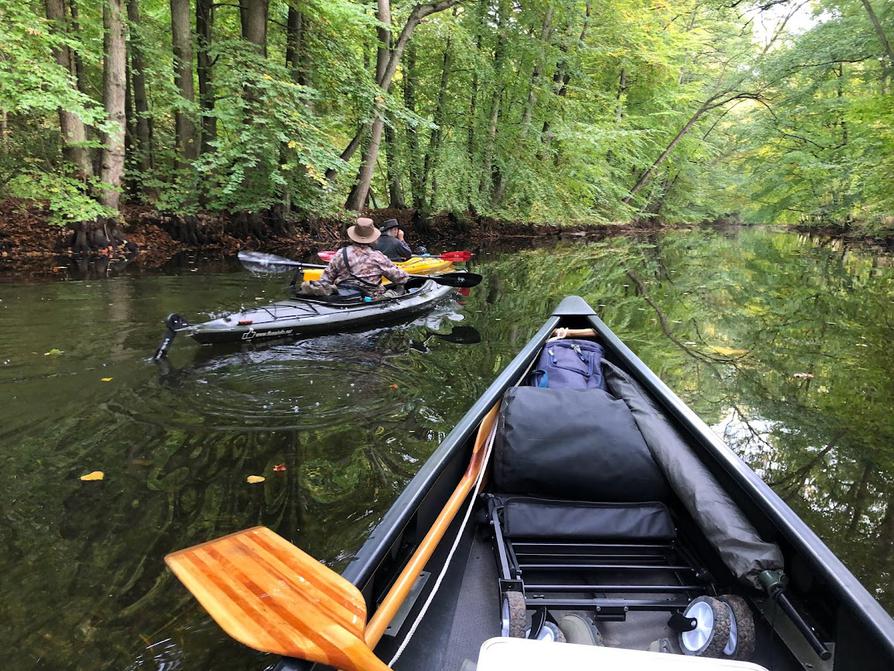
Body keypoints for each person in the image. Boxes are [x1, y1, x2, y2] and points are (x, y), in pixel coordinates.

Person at [301, 217, 409, 297]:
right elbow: (401, 278)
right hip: (370, 297)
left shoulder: (340, 253)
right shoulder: (377, 257)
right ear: (372, 238)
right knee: (399, 289)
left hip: (343, 294)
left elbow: (325, 280)